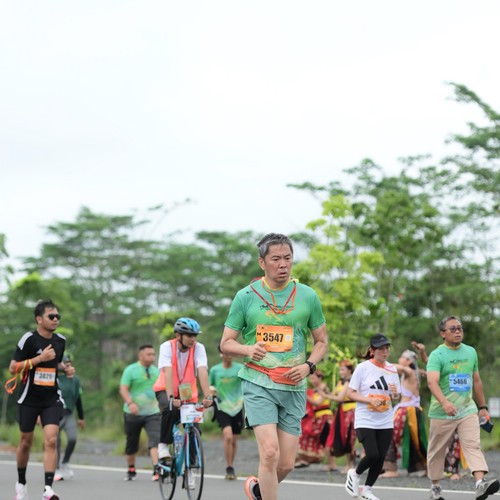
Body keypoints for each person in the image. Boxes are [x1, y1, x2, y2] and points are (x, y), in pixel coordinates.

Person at [220, 232, 328, 500]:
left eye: (288, 258)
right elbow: (226, 343)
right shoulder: (245, 296)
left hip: (293, 385)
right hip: (258, 381)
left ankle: (258, 489)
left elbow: (321, 341)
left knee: (286, 464)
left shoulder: (308, 296)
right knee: (269, 452)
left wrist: (309, 366)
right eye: (276, 259)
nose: (283, 264)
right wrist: (248, 349)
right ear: (262, 262)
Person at [425, 315, 499, 500]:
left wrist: (482, 406)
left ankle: (480, 484)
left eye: (460, 328)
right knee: (436, 450)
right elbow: (432, 382)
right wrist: (445, 402)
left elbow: (476, 380)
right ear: (443, 333)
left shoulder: (470, 352)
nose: (458, 331)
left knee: (473, 445)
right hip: (441, 412)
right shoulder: (437, 355)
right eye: (453, 329)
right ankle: (435, 486)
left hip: (467, 409)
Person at [8, 299, 75, 500]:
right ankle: (21, 483)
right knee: (25, 442)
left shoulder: (60, 341)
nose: (55, 319)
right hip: (29, 398)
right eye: (51, 316)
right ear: (39, 319)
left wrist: (65, 369)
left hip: (51, 398)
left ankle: (48, 489)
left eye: (57, 316)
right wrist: (39, 359)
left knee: (52, 440)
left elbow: (55, 365)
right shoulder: (28, 339)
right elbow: (13, 368)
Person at [153, 316, 213, 485]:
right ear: (178, 335)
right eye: (189, 335)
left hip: (187, 394)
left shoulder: (199, 348)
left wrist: (208, 396)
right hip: (165, 389)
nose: (193, 339)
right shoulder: (167, 347)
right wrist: (171, 397)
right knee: (170, 409)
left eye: (195, 335)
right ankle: (163, 445)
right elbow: (168, 371)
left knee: (194, 429)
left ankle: (191, 469)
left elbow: (202, 371)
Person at [344, 334, 401, 500]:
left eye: (387, 348)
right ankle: (355, 474)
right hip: (366, 419)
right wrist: (369, 400)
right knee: (373, 454)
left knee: (381, 457)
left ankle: (367, 490)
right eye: (381, 348)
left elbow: (395, 396)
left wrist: (395, 393)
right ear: (372, 350)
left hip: (385, 419)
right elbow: (350, 393)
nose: (385, 351)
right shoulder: (363, 368)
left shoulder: (392, 369)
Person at [381, 349, 427, 478]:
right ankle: (428, 468)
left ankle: (391, 469)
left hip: (407, 411)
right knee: (415, 440)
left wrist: (380, 363)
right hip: (409, 410)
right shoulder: (413, 372)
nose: (400, 359)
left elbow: (400, 368)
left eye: (402, 357)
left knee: (389, 434)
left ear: (407, 361)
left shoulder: (409, 371)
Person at [119, 344, 161, 481]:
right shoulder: (130, 370)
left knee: (155, 439)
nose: (152, 357)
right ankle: (131, 468)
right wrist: (130, 403)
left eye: (153, 354)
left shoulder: (157, 371)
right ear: (141, 356)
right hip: (133, 413)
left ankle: (157, 469)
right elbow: (123, 389)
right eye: (149, 354)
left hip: (153, 412)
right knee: (132, 443)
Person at [209, 346, 245, 480]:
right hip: (222, 407)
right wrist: (211, 394)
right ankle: (228, 467)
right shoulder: (215, 370)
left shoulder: (239, 368)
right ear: (221, 354)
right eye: (226, 353)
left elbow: (246, 383)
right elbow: (210, 386)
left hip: (237, 407)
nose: (229, 355)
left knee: (234, 440)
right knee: (228, 437)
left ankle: (231, 465)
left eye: (231, 353)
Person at [54, 354, 85, 481]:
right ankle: (55, 468)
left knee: (72, 438)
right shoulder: (55, 377)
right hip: (55, 413)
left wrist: (81, 417)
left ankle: (65, 462)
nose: (68, 365)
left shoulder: (75, 380)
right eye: (65, 363)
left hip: (69, 413)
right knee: (55, 442)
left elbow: (78, 398)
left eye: (69, 363)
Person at [294, 370, 333, 468]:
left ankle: (332, 464)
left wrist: (305, 394)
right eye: (311, 379)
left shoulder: (323, 387)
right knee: (309, 436)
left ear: (320, 378)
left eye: (314, 378)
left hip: (325, 417)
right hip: (317, 417)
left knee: (325, 439)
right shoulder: (314, 390)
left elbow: (318, 403)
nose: (312, 381)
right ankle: (305, 459)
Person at [324, 359, 356, 473]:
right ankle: (347, 464)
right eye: (340, 370)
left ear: (349, 370)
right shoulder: (341, 382)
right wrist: (326, 392)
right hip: (342, 411)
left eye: (343, 369)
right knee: (343, 436)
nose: (341, 372)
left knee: (349, 437)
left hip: (351, 410)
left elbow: (340, 398)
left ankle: (350, 464)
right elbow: (334, 394)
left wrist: (325, 395)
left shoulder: (350, 382)